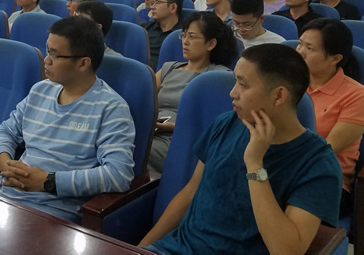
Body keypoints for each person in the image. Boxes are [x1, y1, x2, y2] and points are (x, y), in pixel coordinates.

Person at [139, 43, 341, 254]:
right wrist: (140, 249)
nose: (232, 93)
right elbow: (190, 192)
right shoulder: (226, 123)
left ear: (279, 96)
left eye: (243, 85)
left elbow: (287, 250)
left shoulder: (318, 163)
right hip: (175, 248)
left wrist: (255, 165)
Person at [0, 16, 135, 223]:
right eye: (48, 51)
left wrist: (48, 181)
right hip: (2, 195)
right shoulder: (41, 90)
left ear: (83, 63)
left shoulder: (111, 108)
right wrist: (5, 163)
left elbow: (119, 175)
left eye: (55, 55)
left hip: (51, 212)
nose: (46, 60)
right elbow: (6, 131)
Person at [145, 11, 236, 172]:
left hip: (182, 142)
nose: (185, 42)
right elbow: (144, 103)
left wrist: (172, 127)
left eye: (192, 37)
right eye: (184, 35)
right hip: (151, 132)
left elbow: (214, 127)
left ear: (211, 44)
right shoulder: (168, 68)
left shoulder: (219, 77)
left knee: (129, 150)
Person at [297, 18, 364, 217]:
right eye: (300, 43)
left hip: (326, 180)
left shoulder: (357, 96)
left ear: (335, 58)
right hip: (284, 169)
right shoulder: (291, 84)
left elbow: (326, 150)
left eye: (309, 48)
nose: (300, 52)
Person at [141, 0, 183, 71]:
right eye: (153, 3)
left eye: (158, 3)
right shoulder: (143, 29)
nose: (152, 7)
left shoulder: (184, 35)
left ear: (173, 7)